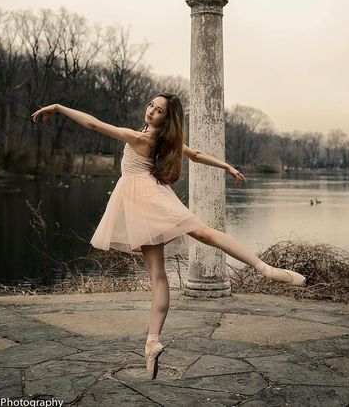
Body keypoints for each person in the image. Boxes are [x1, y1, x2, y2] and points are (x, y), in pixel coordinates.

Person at [31, 93, 305, 379]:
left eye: (158, 110)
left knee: (189, 245)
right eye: (151, 105)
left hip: (144, 199)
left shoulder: (143, 139)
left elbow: (95, 125)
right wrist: (225, 166)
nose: (151, 111)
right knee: (170, 263)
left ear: (167, 117)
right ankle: (153, 341)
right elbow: (196, 155)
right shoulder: (163, 139)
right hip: (152, 197)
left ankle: (264, 269)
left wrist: (60, 107)